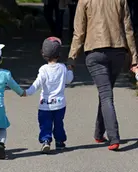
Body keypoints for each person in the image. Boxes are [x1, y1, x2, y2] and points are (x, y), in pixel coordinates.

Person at [67, 0, 138, 151]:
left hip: (95, 51)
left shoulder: (84, 1)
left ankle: (114, 137)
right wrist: (134, 59)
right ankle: (99, 133)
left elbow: (79, 32)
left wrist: (71, 59)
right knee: (106, 92)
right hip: (118, 51)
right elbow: (128, 29)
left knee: (105, 94)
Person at [25, 37, 73, 153]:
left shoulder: (43, 69)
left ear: (43, 54)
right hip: (60, 104)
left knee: (45, 124)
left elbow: (37, 84)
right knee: (58, 123)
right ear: (59, 54)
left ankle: (46, 141)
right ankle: (60, 142)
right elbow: (69, 80)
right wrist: (70, 69)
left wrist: (27, 92)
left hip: (45, 105)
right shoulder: (62, 68)